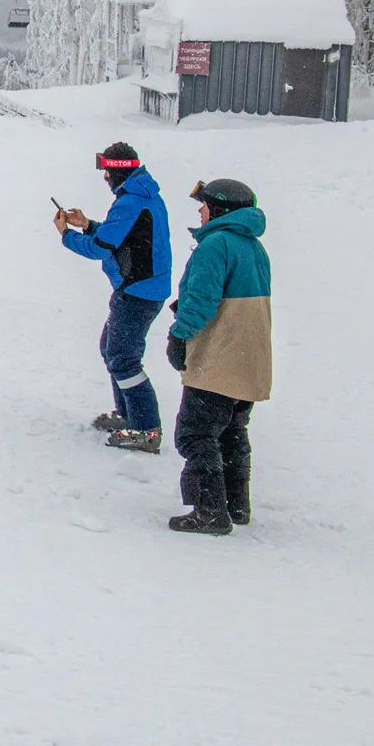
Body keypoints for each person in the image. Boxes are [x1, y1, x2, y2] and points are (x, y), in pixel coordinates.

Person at [164, 179, 271, 535]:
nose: (200, 210)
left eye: (205, 204)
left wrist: (178, 335)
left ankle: (210, 511)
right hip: (249, 356)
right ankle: (236, 504)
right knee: (232, 431)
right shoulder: (254, 247)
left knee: (195, 434)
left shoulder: (215, 245)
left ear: (221, 209)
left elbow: (201, 301)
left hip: (220, 355)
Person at [55, 142, 173, 452]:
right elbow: (124, 236)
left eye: (107, 171)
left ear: (118, 171)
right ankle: (129, 415)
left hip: (138, 292)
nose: (105, 177)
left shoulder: (130, 202)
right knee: (112, 350)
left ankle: (147, 429)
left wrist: (66, 234)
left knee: (123, 358)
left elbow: (99, 249)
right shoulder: (142, 195)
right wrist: (88, 225)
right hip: (139, 289)